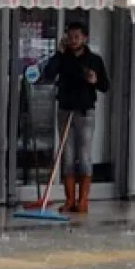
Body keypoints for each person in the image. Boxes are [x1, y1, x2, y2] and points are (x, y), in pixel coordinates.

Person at [38, 21, 110, 214]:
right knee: (67, 156)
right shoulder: (63, 58)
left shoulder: (94, 60)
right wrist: (59, 53)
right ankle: (70, 199)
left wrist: (95, 81)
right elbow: (48, 73)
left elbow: (105, 85)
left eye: (77, 37)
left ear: (85, 38)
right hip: (65, 110)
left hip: (85, 111)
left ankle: (83, 199)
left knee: (84, 155)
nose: (73, 40)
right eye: (70, 37)